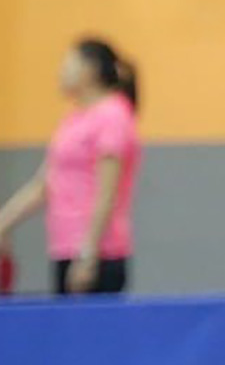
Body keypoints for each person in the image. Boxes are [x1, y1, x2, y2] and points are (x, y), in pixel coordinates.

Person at [0, 37, 144, 295]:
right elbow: (44, 184)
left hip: (98, 255)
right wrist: (3, 222)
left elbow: (107, 193)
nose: (60, 72)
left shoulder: (113, 115)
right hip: (64, 248)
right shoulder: (73, 119)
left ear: (91, 69)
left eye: (68, 64)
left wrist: (88, 254)